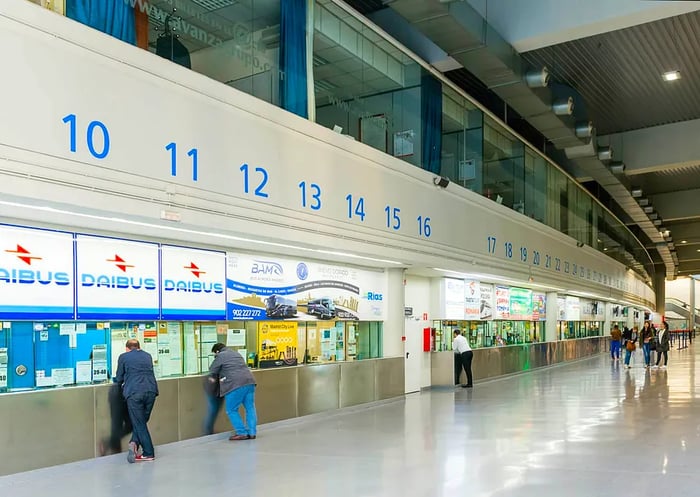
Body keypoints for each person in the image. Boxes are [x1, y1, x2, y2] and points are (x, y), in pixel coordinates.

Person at [114, 339, 158, 463]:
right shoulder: (147, 355)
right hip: (151, 391)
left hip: (134, 393)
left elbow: (119, 378)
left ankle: (149, 452)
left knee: (139, 423)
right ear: (138, 347)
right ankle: (134, 442)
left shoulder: (124, 357)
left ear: (127, 348)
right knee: (142, 421)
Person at [209, 343, 258, 440]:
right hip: (250, 382)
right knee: (250, 408)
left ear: (217, 351)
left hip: (235, 385)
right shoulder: (236, 353)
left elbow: (212, 369)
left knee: (231, 410)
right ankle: (252, 432)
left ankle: (242, 432)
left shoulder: (221, 355)